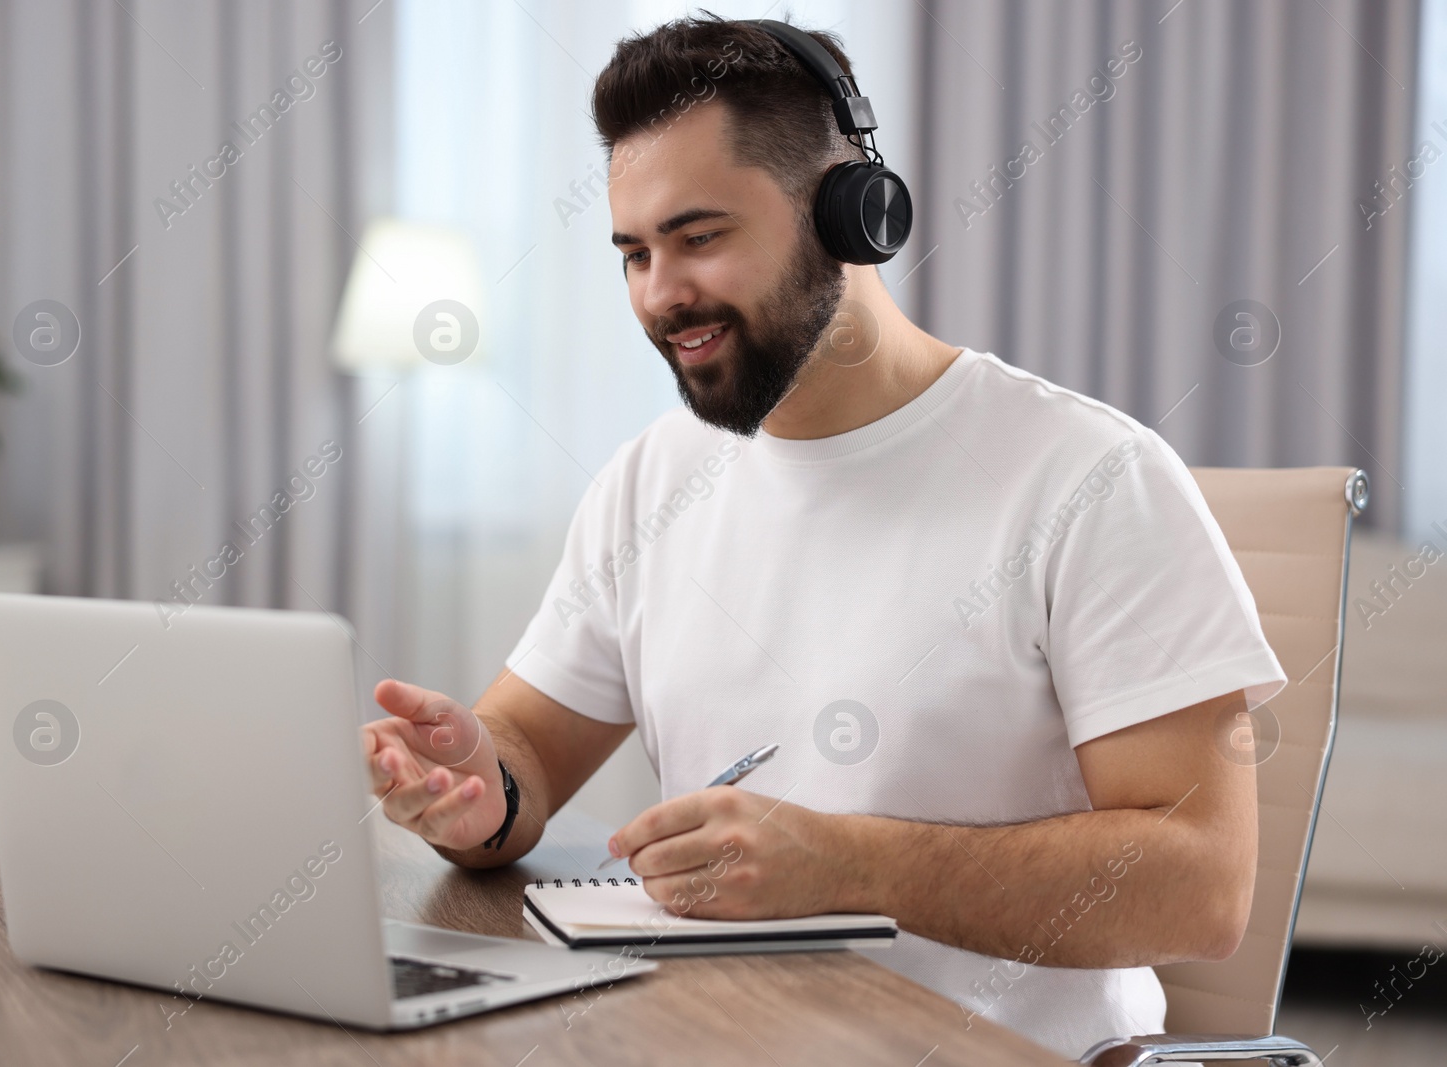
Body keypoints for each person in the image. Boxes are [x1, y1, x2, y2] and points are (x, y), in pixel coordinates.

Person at [362, 16, 1285, 1059]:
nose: (661, 294)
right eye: (634, 252)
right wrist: (475, 788)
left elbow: (1203, 887)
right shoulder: (648, 482)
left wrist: (848, 863)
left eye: (699, 237)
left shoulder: (1088, 478)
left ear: (852, 216)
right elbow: (524, 751)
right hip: (715, 1037)